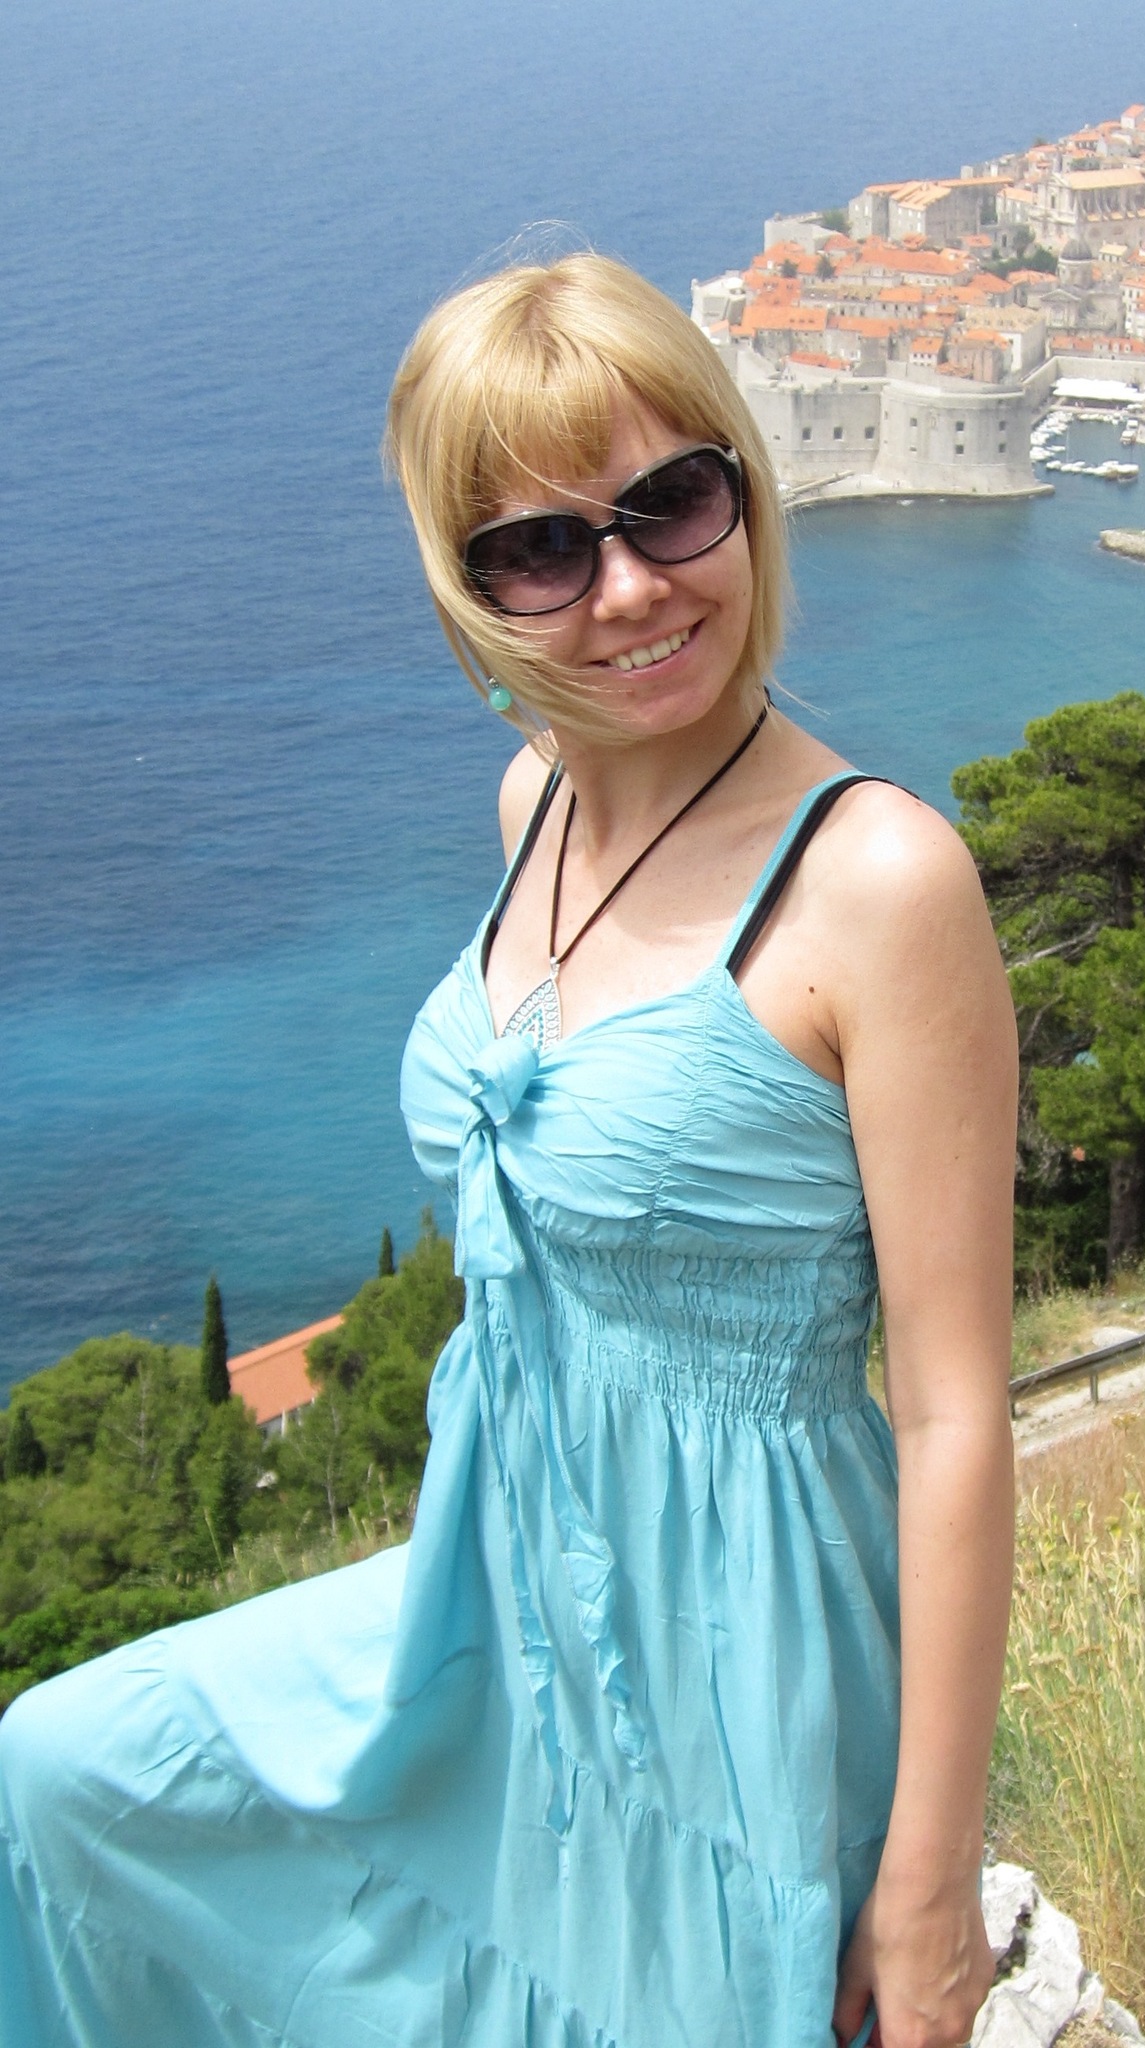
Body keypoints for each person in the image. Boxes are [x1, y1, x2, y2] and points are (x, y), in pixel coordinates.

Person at [0, 252, 1016, 2048]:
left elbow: (952, 1416)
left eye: (670, 502)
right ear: (466, 591)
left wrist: (927, 1892)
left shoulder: (878, 883)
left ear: (745, 488)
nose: (628, 589)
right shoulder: (534, 798)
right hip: (499, 1579)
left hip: (740, 1647)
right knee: (67, 1769)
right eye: (539, 551)